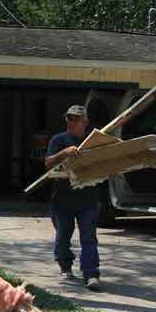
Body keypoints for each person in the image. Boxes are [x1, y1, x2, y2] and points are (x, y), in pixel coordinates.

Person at [44, 105, 101, 290]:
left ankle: (91, 274)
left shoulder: (93, 140)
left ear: (85, 122)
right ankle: (65, 265)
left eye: (75, 119)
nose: (71, 122)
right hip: (62, 200)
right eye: (69, 118)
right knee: (62, 237)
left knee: (89, 237)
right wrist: (65, 152)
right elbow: (48, 163)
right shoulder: (59, 140)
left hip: (88, 199)